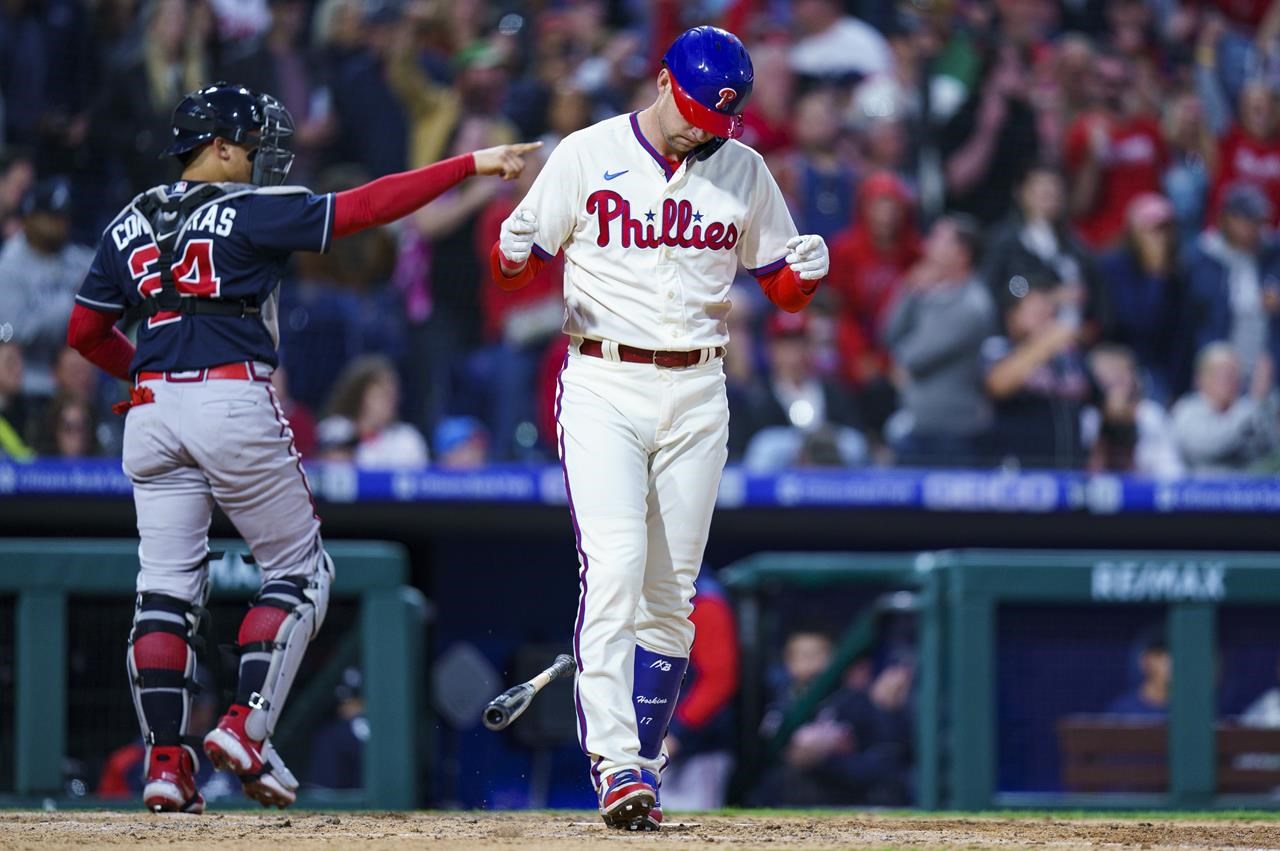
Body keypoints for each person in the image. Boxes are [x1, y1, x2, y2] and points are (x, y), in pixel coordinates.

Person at [65, 81, 538, 814]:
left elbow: (84, 333)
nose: (259, 156)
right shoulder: (248, 208)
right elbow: (368, 208)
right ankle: (246, 726)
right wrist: (470, 164)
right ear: (216, 148)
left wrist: (144, 375)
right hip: (230, 395)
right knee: (300, 569)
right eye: (250, 143)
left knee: (164, 590)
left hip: (152, 409)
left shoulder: (127, 218)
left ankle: (167, 765)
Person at [489, 26, 828, 830]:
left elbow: (777, 281)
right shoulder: (588, 151)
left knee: (671, 594)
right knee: (615, 565)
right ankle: (613, 761)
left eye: (721, 121)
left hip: (699, 386)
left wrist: (802, 281)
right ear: (664, 80)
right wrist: (508, 253)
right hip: (604, 377)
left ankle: (641, 760)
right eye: (696, 113)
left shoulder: (742, 168)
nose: (704, 131)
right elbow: (520, 260)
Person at [883, 215, 996, 467]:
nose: (928, 245)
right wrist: (909, 289)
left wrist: (898, 362)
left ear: (962, 254)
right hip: (919, 427)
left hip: (953, 434)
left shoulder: (971, 305)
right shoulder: (930, 293)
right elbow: (888, 335)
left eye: (940, 239)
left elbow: (912, 358)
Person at [0, 176, 94, 397]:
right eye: (51, 216)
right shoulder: (9, 265)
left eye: (63, 217)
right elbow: (10, 332)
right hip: (27, 386)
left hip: (73, 384)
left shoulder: (75, 257)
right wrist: (70, 304)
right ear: (30, 217)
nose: (59, 224)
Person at [1171, 343, 1278, 474]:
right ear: (1200, 379)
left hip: (1248, 491)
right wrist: (1255, 402)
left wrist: (1265, 408)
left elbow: (1270, 451)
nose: (1229, 380)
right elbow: (1209, 445)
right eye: (1222, 374)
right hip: (1200, 492)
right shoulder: (1186, 410)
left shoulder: (1247, 409)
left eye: (1234, 373)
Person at [321, 354, 429, 469]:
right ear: (360, 395)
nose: (390, 401)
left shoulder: (407, 439)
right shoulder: (335, 429)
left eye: (393, 395)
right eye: (383, 394)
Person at [1106, 627, 1170, 717]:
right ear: (1145, 661)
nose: (1169, 664)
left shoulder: (1188, 708)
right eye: (1160, 656)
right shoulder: (1123, 710)